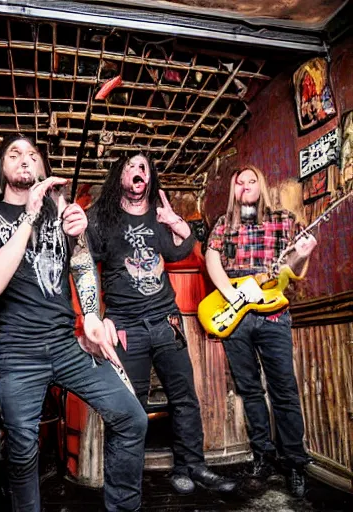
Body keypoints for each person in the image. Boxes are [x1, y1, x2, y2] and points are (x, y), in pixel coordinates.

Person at [0, 136, 147, 512]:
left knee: (132, 418)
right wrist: (30, 214)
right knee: (22, 451)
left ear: (44, 172)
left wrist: (92, 315)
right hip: (17, 352)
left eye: (33, 155)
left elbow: (80, 265)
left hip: (66, 345)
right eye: (14, 154)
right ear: (1, 171)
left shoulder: (61, 214)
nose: (25, 159)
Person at [87, 153, 237, 495]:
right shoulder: (100, 218)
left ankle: (191, 467)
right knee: (129, 406)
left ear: (150, 177)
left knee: (184, 398)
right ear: (118, 176)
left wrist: (175, 221)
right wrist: (95, 317)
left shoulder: (159, 215)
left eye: (143, 166)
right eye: (130, 166)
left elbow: (180, 251)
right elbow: (83, 265)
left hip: (166, 320)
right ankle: (127, 479)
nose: (138, 171)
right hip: (125, 325)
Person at [205, 165, 316, 497]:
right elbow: (212, 259)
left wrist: (301, 255)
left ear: (261, 186)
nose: (245, 186)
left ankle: (295, 463)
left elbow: (293, 270)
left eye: (252, 181)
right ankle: (263, 457)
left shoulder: (282, 220)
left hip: (272, 314)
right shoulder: (224, 225)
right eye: (239, 183)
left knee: (284, 388)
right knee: (250, 390)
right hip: (237, 313)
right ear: (234, 191)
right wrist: (232, 295)